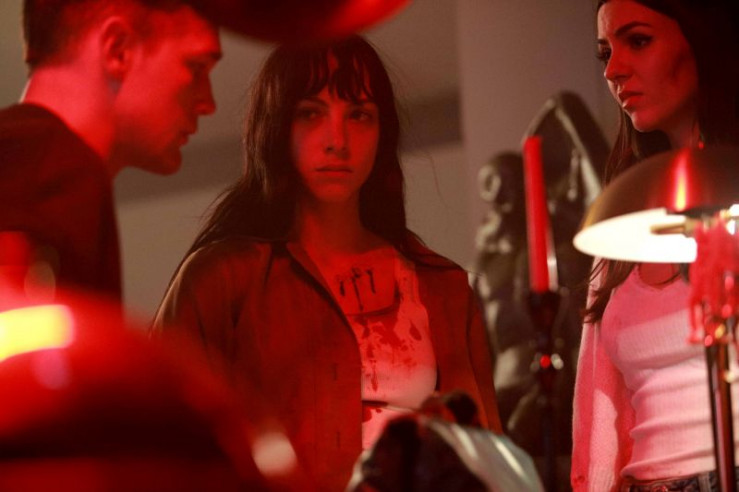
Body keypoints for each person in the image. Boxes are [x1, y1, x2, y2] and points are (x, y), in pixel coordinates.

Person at [152, 35, 502, 491]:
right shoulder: (224, 276)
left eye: (359, 115)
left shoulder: (442, 286)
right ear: (277, 126)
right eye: (311, 113)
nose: (337, 141)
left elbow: (488, 456)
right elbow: (153, 437)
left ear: (382, 132)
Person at [572, 0, 739, 490]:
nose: (613, 71)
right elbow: (598, 409)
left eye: (638, 41)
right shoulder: (624, 223)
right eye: (605, 53)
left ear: (700, 39)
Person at [0, 0, 221, 302]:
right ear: (119, 50)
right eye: (196, 67)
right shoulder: (54, 165)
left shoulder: (32, 158)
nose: (209, 104)